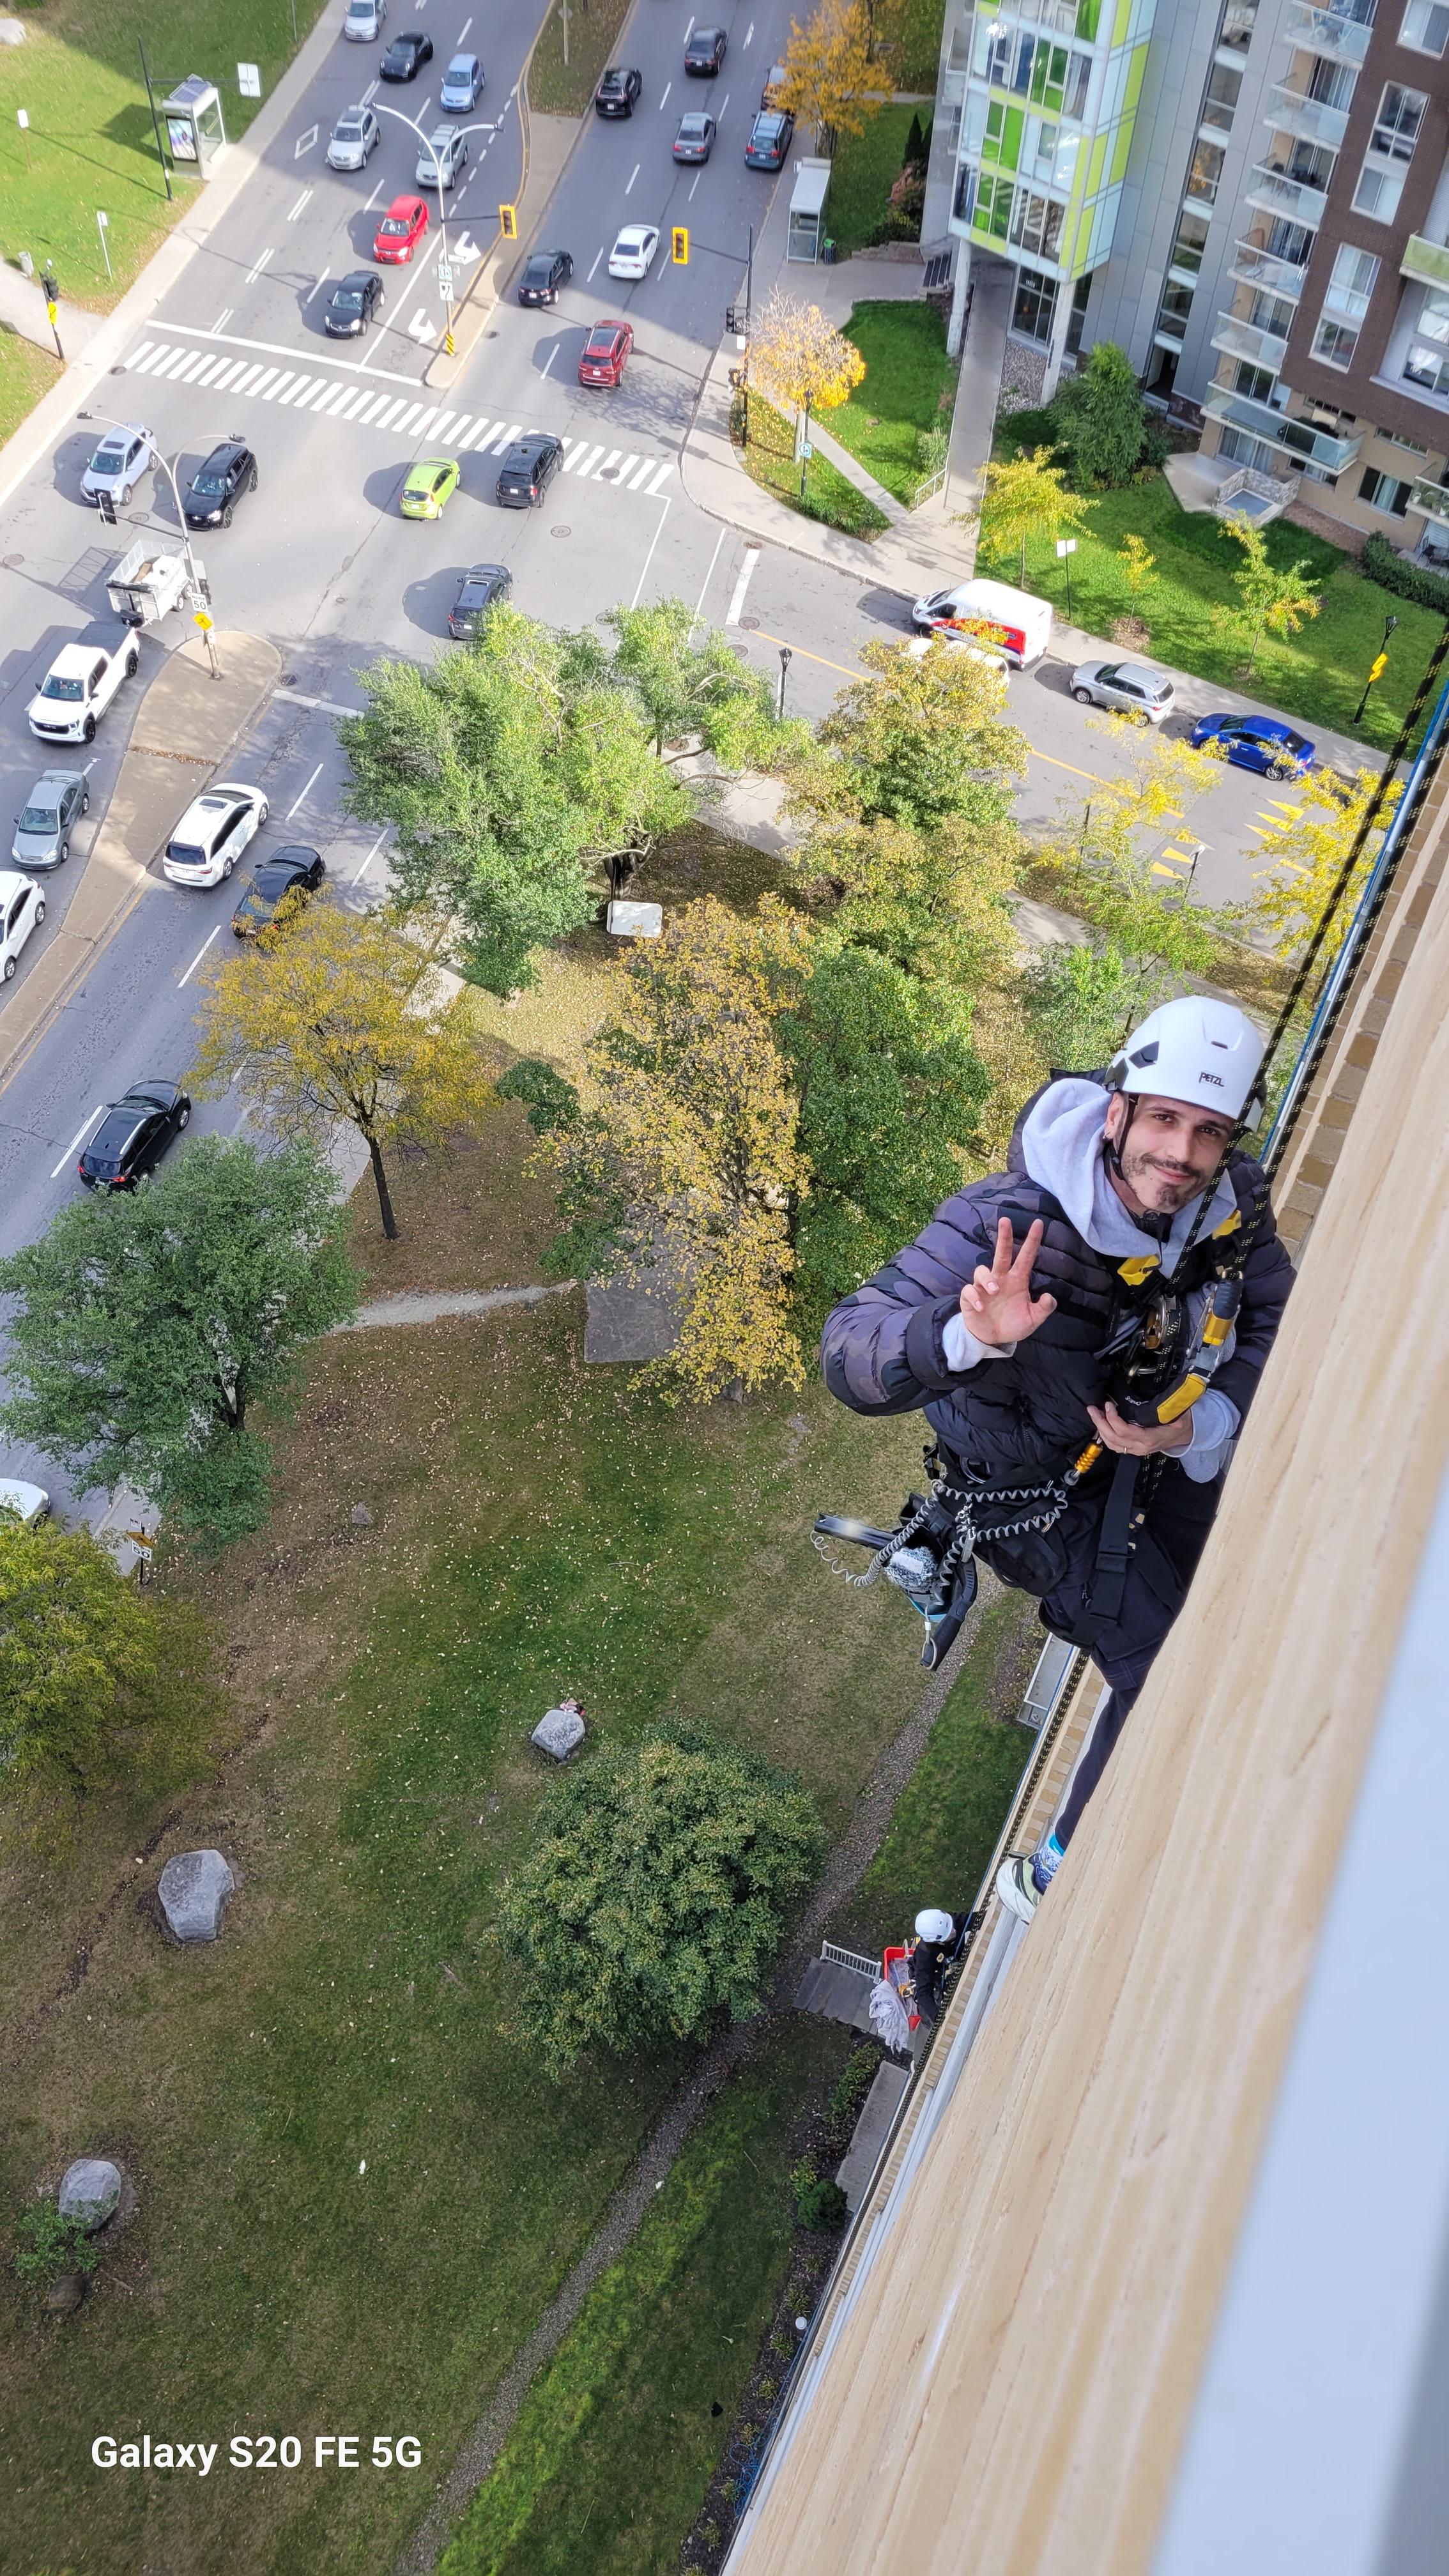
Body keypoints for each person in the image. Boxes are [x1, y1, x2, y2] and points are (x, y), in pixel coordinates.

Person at [821, 998, 1294, 1921]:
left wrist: (1194, 1427)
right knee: (1163, 1668)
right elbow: (850, 1352)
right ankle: (1059, 1863)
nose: (1182, 1154)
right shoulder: (1012, 1224)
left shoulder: (1228, 1205)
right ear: (1116, 1111)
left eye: (1208, 1131)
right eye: (1162, 1118)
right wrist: (964, 1333)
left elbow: (1272, 1314)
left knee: (1241, 1583)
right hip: (1037, 1502)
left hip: (1159, 1445)